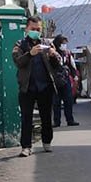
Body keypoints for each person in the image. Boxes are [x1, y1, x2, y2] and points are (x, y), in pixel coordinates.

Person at [12, 16, 62, 157]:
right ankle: (26, 147)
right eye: (33, 29)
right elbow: (18, 62)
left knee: (46, 116)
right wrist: (30, 54)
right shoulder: (20, 44)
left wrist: (53, 55)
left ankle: (47, 142)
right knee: (26, 117)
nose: (35, 31)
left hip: (45, 86)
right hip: (27, 87)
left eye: (38, 29)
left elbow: (58, 64)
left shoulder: (47, 44)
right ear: (27, 29)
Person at [52, 34, 79, 127]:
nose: (64, 45)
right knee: (56, 102)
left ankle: (70, 120)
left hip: (65, 79)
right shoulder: (52, 53)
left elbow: (72, 66)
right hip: (55, 80)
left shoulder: (67, 53)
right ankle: (56, 122)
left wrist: (75, 75)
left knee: (68, 100)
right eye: (62, 43)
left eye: (65, 43)